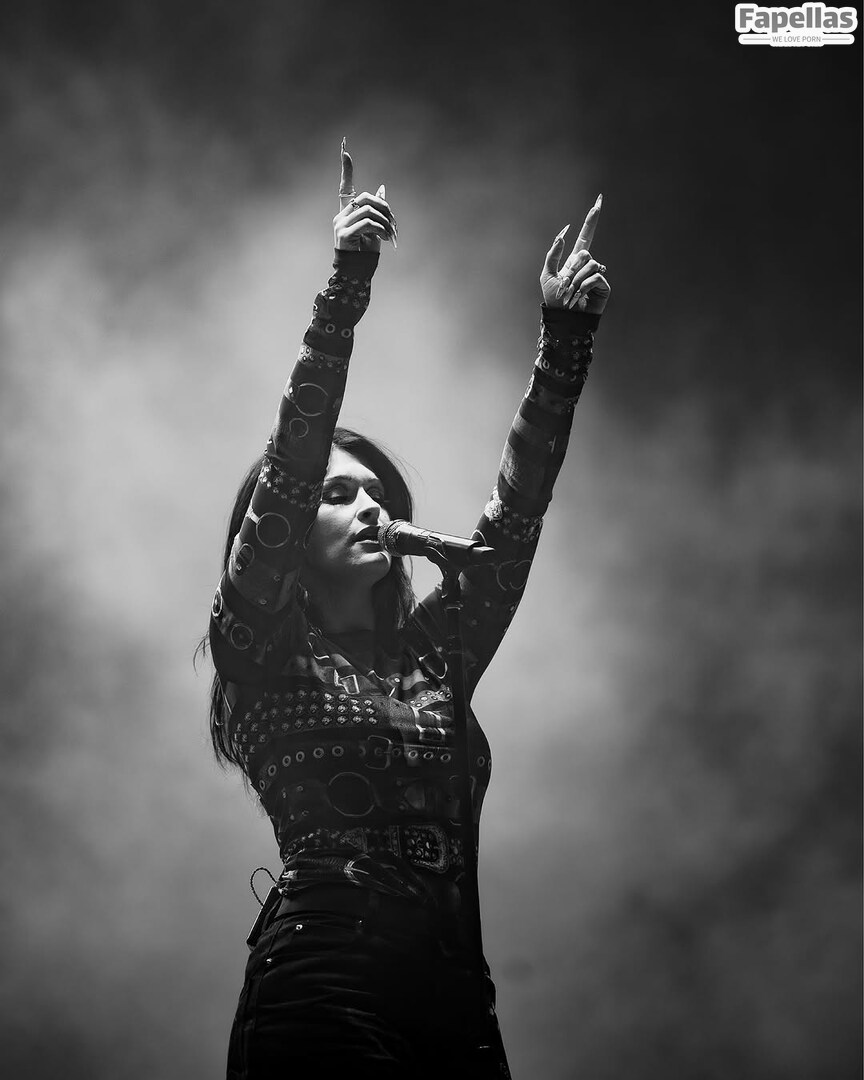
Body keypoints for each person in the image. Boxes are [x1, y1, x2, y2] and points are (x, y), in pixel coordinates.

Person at [205, 140, 610, 1079]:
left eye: (378, 495)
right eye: (337, 494)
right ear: (284, 534)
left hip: (459, 1006)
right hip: (324, 981)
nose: (370, 507)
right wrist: (347, 282)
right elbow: (290, 462)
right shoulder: (256, 643)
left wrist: (565, 341)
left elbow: (515, 519)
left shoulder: (432, 659)